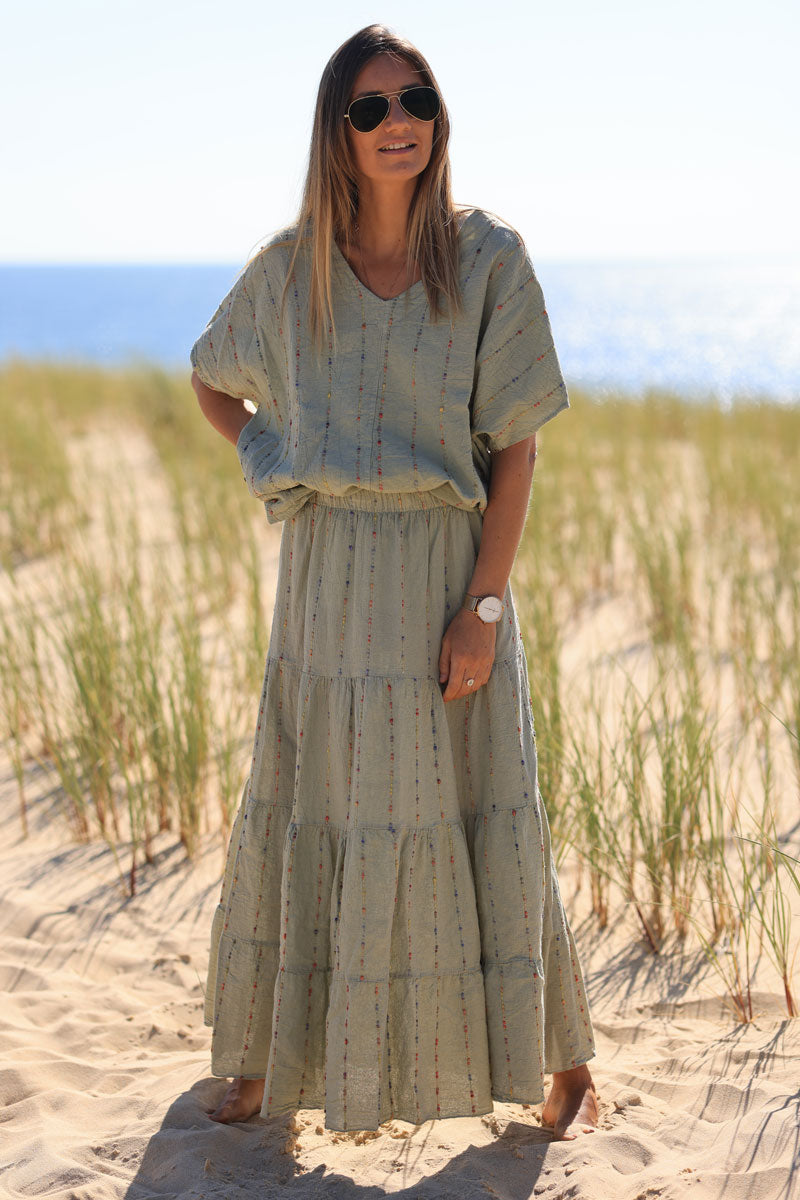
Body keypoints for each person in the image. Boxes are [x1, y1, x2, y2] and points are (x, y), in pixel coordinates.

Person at [190, 23, 598, 1141]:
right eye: (369, 108)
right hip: (323, 585)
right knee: (311, 806)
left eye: (413, 99)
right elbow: (212, 378)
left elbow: (514, 446)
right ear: (336, 131)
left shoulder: (487, 261)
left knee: (479, 810)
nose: (397, 124)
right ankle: (271, 1060)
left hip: (438, 579)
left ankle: (558, 1057)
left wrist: (483, 605)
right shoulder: (288, 270)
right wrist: (276, 462)